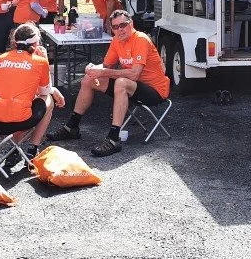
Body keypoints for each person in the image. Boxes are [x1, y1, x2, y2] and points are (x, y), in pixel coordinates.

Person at [48, 9, 170, 157]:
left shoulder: (140, 39)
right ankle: (71, 127)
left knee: (121, 83)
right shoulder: (116, 40)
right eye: (115, 27)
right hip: (132, 86)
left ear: (131, 24)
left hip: (155, 90)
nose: (120, 30)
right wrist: (93, 68)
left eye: (123, 25)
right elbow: (106, 66)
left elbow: (134, 73)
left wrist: (103, 72)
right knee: (89, 79)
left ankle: (113, 139)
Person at [0, 23, 65, 166]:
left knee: (16, 103)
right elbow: (44, 92)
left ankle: (14, 150)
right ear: (36, 43)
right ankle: (32, 149)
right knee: (46, 100)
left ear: (15, 41)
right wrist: (51, 84)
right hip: (16, 121)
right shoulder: (40, 62)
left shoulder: (3, 57)